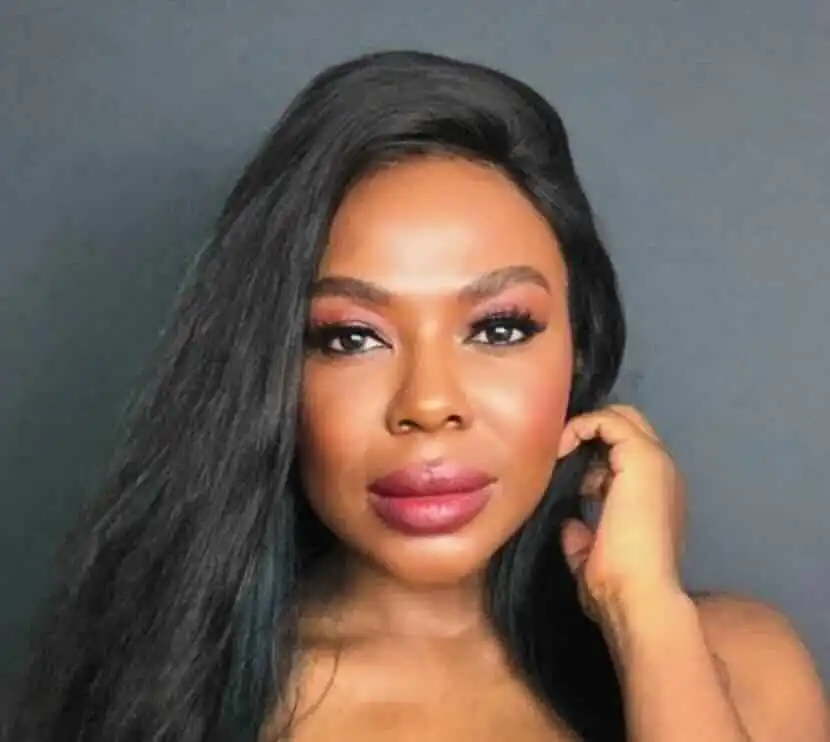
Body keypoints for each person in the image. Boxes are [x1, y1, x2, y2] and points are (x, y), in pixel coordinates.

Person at [6, 50, 827, 742]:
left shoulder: (739, 667)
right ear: (269, 375)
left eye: (500, 328)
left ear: (579, 350)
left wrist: (647, 622)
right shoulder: (158, 700)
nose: (429, 404)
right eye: (350, 336)